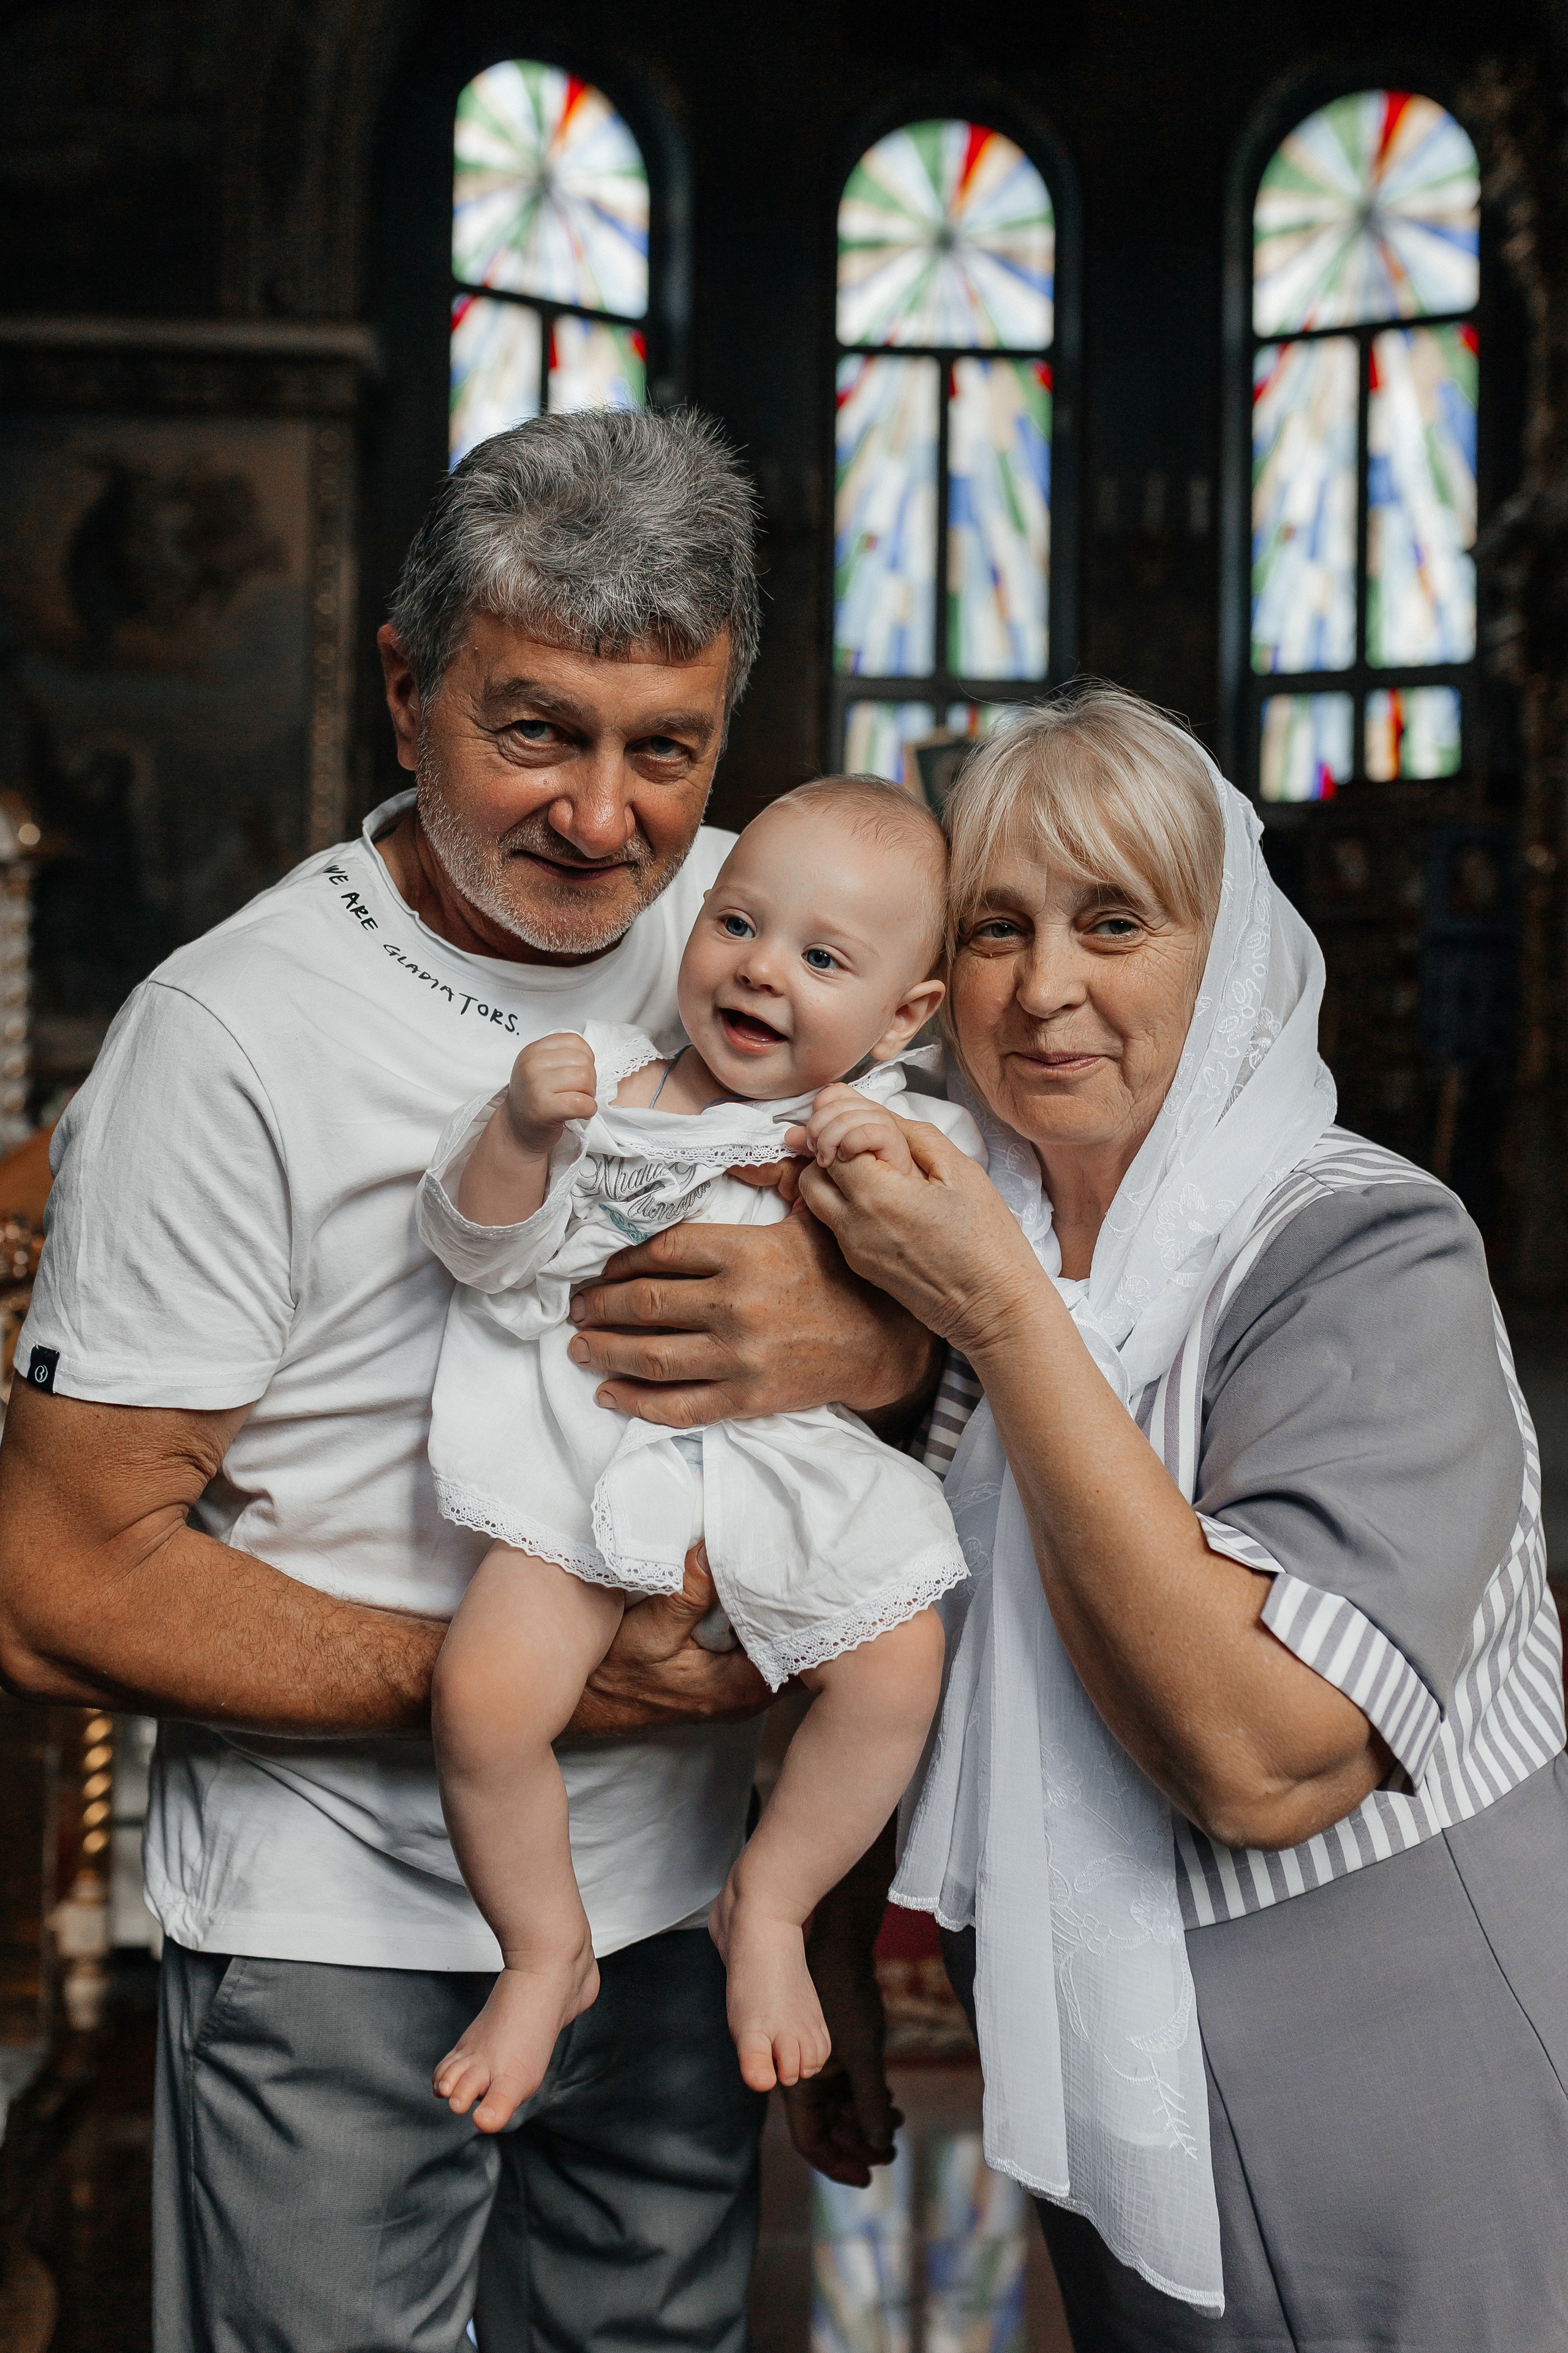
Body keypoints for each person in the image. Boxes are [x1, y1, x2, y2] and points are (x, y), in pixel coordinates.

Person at [0, 410, 932, 2353]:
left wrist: (873, 1333)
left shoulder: (778, 923)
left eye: (664, 750)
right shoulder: (230, 1036)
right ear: (407, 688)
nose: (607, 819)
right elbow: (55, 1578)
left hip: (685, 1923)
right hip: (337, 1940)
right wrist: (536, 1693)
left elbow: (1008, 1261)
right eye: (537, 733)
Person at [793, 683, 1568, 2351]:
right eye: (997, 926)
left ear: (1226, 961)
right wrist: (837, 1940)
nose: (1046, 985)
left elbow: (1262, 1754)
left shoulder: (1363, 1251)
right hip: (1107, 2085)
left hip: (1401, 2088)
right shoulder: (964, 1227)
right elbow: (890, 1614)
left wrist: (1008, 1321)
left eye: (1116, 919)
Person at [420, 780, 981, 2131]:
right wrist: (513, 1133)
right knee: (484, 1701)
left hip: (781, 1474)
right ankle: (544, 1948)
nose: (761, 968)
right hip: (589, 1455)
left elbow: (956, 1286)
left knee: (899, 1665)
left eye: (823, 959)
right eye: (736, 922)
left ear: (904, 1016)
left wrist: (878, 1166)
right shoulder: (604, 1083)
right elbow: (472, 1245)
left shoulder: (895, 1125)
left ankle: (770, 1901)